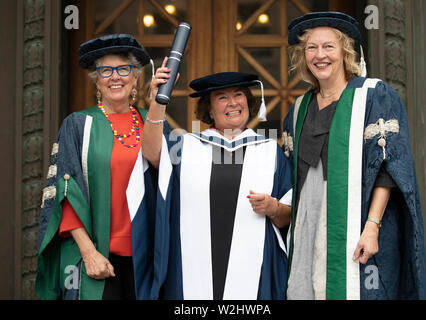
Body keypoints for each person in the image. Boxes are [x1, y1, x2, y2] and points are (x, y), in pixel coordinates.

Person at [283, 11, 426, 300]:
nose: (319, 55)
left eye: (328, 47)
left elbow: (388, 169)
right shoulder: (299, 108)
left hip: (357, 222)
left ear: (345, 51)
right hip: (308, 223)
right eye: (312, 47)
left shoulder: (373, 96)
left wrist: (372, 227)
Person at [140, 66, 293, 299]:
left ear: (248, 102)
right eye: (222, 97)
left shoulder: (269, 151)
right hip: (193, 265)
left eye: (239, 95)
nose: (233, 103)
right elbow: (151, 153)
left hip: (254, 268)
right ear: (209, 110)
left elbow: (289, 215)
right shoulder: (187, 147)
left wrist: (274, 208)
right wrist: (158, 101)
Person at [36, 34, 155, 300]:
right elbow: (66, 193)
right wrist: (89, 253)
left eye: (123, 69)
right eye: (106, 70)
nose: (115, 77)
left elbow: (168, 176)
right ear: (97, 81)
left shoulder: (151, 122)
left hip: (146, 257)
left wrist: (158, 107)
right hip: (99, 255)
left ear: (135, 77)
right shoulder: (78, 124)